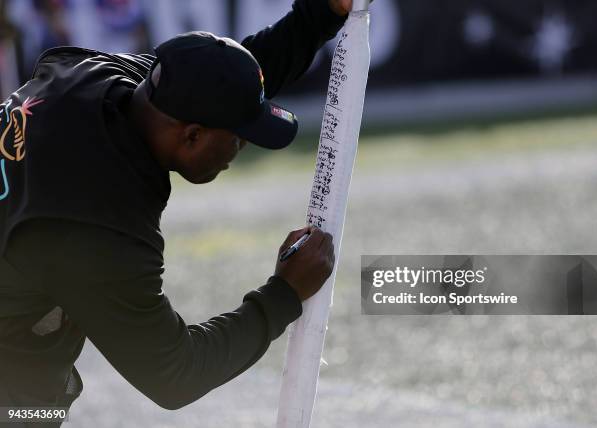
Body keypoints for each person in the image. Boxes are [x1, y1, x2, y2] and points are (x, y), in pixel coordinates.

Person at [0, 0, 356, 424]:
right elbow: (175, 374)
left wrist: (321, 14)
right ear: (191, 136)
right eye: (239, 138)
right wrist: (284, 294)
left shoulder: (100, 76)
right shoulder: (96, 226)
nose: (241, 149)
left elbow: (223, 81)